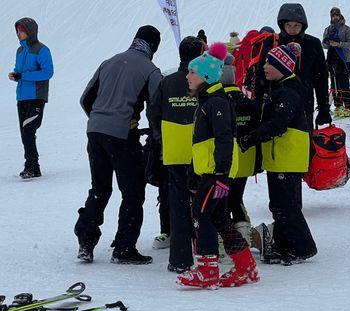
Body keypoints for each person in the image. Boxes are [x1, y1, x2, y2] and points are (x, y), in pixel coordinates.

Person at [75, 25, 162, 264]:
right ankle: (124, 248)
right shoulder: (151, 70)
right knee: (132, 192)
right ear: (153, 46)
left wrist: (100, 119)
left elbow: (86, 99)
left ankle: (86, 240)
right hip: (123, 136)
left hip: (95, 133)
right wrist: (157, 137)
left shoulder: (109, 62)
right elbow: (156, 109)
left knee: (100, 188)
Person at [176, 42, 259, 288]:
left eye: (193, 72)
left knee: (201, 214)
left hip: (216, 173)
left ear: (207, 76)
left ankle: (207, 271)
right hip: (210, 171)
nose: (188, 76)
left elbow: (224, 139)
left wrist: (222, 173)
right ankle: (246, 267)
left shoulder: (217, 103)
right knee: (220, 219)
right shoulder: (208, 101)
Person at [239, 43, 317, 265]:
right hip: (280, 157)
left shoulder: (288, 92)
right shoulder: (281, 88)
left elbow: (276, 124)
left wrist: (250, 139)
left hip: (287, 157)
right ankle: (284, 245)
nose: (264, 67)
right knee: (281, 204)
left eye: (269, 63)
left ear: (282, 67)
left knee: (285, 206)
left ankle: (302, 247)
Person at [147, 36, 204, 273]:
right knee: (204, 203)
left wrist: (161, 139)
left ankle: (179, 259)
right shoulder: (202, 81)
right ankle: (206, 250)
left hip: (174, 152)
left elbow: (153, 113)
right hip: (200, 151)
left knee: (178, 205)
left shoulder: (167, 82)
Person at [254, 3, 331, 129]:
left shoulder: (313, 44)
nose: (292, 29)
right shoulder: (272, 42)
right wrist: (257, 102)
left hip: (304, 106)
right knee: (274, 145)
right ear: (282, 25)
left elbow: (321, 79)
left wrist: (324, 108)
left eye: (296, 25)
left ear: (303, 25)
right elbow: (261, 74)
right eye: (288, 25)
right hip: (275, 104)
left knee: (302, 145)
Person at [219, 53, 261, 255]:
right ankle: (243, 234)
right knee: (237, 197)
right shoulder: (247, 101)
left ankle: (224, 239)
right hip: (246, 158)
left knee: (222, 200)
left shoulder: (218, 102)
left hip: (226, 160)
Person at [10, 18, 53, 179]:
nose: (18, 33)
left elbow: (48, 72)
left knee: (28, 129)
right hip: (21, 97)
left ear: (30, 31)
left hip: (36, 97)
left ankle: (31, 166)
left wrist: (24, 76)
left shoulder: (42, 50)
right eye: (17, 31)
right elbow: (18, 70)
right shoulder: (20, 51)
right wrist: (15, 75)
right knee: (24, 133)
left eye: (21, 30)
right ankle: (34, 167)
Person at [323, 7, 350, 118]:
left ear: (340, 15)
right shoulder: (328, 29)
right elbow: (324, 45)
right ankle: (338, 106)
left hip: (343, 59)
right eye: (333, 15)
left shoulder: (347, 29)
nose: (335, 17)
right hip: (331, 59)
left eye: (337, 15)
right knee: (334, 84)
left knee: (344, 84)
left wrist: (339, 44)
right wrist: (328, 43)